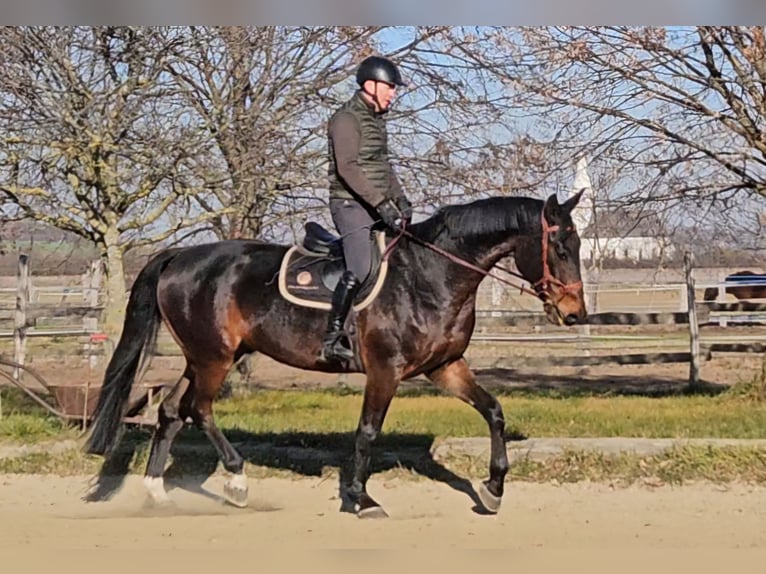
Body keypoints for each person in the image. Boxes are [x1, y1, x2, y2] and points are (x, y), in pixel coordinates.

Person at [319, 55, 413, 363]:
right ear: (370, 85)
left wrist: (400, 200)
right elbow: (348, 168)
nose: (393, 93)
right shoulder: (346, 119)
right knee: (360, 268)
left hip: (374, 205)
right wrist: (380, 203)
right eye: (390, 87)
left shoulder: (375, 121)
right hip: (350, 204)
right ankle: (333, 337)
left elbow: (384, 167)